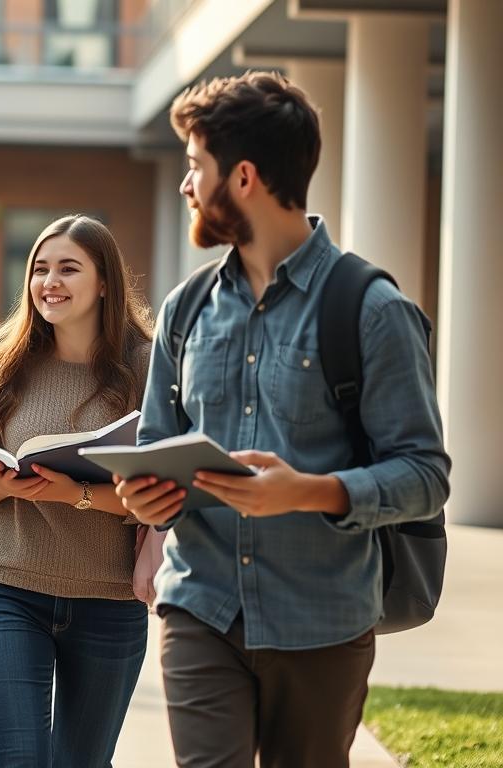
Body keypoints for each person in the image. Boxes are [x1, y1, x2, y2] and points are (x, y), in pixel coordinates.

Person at [114, 72, 450, 767]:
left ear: (242, 178)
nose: (185, 185)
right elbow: (154, 443)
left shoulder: (372, 309)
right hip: (199, 606)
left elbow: (424, 474)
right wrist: (145, 496)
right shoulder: (187, 309)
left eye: (194, 167)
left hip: (323, 622)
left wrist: (309, 491)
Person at [0, 214, 154, 767]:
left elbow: (164, 491)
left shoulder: (146, 366)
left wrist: (74, 495)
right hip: (7, 586)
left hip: (108, 598)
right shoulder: (5, 359)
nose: (49, 282)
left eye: (68, 269)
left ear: (105, 281)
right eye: (40, 268)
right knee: (16, 760)